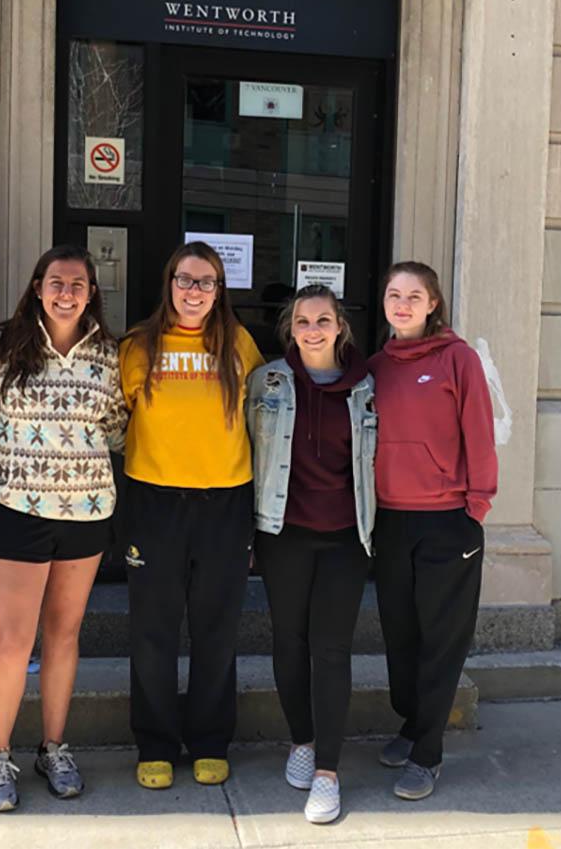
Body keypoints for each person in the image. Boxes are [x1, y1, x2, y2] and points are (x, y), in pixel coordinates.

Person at [0, 246, 127, 811]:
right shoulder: (4, 348)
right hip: (21, 511)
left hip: (87, 514)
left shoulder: (107, 357)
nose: (67, 293)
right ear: (38, 287)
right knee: (13, 643)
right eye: (56, 282)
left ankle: (54, 748)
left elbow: (116, 429)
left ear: (91, 293)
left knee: (64, 637)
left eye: (78, 284)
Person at [119, 241, 264, 790]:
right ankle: (154, 742)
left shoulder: (239, 344)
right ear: (169, 283)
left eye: (206, 282)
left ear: (219, 289)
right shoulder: (138, 346)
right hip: (155, 501)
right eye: (185, 279)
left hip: (225, 503)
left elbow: (259, 418)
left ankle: (209, 739)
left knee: (215, 630)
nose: (194, 291)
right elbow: (120, 416)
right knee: (153, 631)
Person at [247, 284, 377, 824]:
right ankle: (301, 741)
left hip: (346, 538)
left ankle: (327, 770)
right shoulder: (268, 380)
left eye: (324, 319)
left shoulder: (369, 387)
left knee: (331, 649)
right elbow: (246, 451)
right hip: (284, 534)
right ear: (291, 328)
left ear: (340, 326)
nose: (313, 329)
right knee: (288, 642)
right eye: (303, 320)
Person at [367, 261, 497, 801]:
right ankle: (412, 722)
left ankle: (429, 751)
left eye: (413, 296)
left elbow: (480, 433)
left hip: (448, 522)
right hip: (392, 520)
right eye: (394, 294)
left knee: (442, 640)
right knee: (402, 635)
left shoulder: (457, 359)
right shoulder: (375, 365)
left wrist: (476, 506)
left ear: (432, 304)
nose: (402, 304)